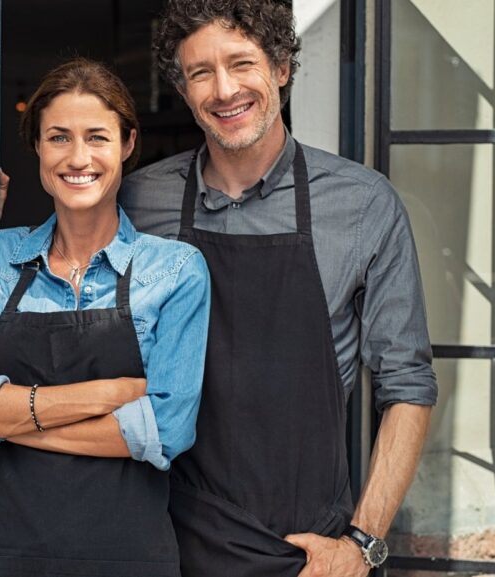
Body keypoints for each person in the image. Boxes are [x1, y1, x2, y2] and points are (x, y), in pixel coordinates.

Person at [118, 2, 438, 576]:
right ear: (183, 91)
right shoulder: (139, 203)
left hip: (307, 553)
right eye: (200, 73)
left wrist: (362, 546)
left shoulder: (363, 205)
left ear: (282, 67)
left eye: (242, 63)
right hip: (163, 541)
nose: (224, 90)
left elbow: (407, 385)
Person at [0, 58, 210, 577]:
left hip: (131, 558)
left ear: (126, 145)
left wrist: (6, 417)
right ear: (37, 147)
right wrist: (109, 394)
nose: (79, 157)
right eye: (58, 137)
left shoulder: (174, 270)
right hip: (10, 555)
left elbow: (166, 430)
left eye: (97, 137)